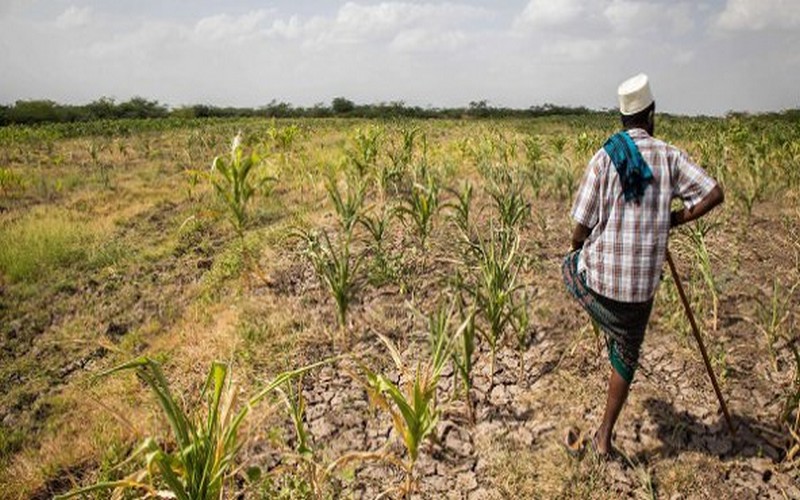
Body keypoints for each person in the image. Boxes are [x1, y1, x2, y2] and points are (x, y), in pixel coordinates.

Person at [562, 73, 724, 457]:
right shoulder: (669, 155)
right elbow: (714, 193)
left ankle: (607, 323)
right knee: (628, 351)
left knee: (569, 265)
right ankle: (604, 437)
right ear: (651, 115)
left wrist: (578, 248)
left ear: (622, 120)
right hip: (640, 292)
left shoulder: (605, 157)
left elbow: (579, 227)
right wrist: (673, 219)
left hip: (601, 281)